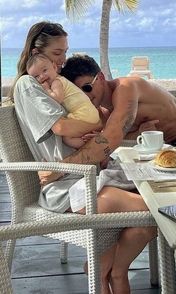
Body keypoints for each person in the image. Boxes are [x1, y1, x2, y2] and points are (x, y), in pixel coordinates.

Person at [11, 21, 156, 294]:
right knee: (152, 211)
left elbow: (80, 120)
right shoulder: (28, 85)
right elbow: (62, 127)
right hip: (66, 187)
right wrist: (96, 127)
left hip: (89, 177)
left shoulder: (56, 82)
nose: (62, 60)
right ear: (35, 52)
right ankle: (107, 273)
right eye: (56, 54)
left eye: (65, 52)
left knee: (147, 214)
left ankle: (113, 273)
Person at [61, 54, 176, 147]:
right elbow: (121, 138)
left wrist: (63, 167)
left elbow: (112, 137)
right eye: (79, 93)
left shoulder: (126, 87)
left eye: (87, 88)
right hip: (162, 155)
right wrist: (138, 133)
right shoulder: (101, 114)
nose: (86, 97)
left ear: (102, 77)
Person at [26, 53, 102, 149]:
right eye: (36, 76)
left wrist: (47, 90)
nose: (42, 76)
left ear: (54, 67)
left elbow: (57, 99)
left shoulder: (57, 82)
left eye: (44, 70)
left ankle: (92, 147)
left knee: (67, 139)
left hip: (83, 113)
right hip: (90, 112)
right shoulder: (62, 80)